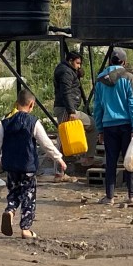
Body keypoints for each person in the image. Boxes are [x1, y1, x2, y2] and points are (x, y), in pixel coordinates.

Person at [0, 89, 66, 239]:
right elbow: (46, 144)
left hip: (10, 165)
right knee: (28, 195)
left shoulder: (5, 122)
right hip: (27, 166)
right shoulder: (33, 122)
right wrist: (59, 158)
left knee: (13, 192)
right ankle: (25, 229)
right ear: (32, 104)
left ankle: (10, 211)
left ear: (17, 104)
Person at [94, 48, 133, 205]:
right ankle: (132, 195)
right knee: (131, 159)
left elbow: (97, 107)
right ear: (124, 62)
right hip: (126, 125)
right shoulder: (129, 78)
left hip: (108, 126)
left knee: (111, 161)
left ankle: (109, 197)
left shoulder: (100, 79)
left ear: (110, 62)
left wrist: (99, 129)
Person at [53, 51, 97, 179]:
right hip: (66, 109)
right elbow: (66, 92)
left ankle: (87, 157)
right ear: (71, 60)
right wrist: (71, 111)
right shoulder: (66, 72)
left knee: (91, 125)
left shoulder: (66, 70)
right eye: (77, 63)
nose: (79, 66)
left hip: (66, 108)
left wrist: (77, 73)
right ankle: (59, 172)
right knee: (62, 140)